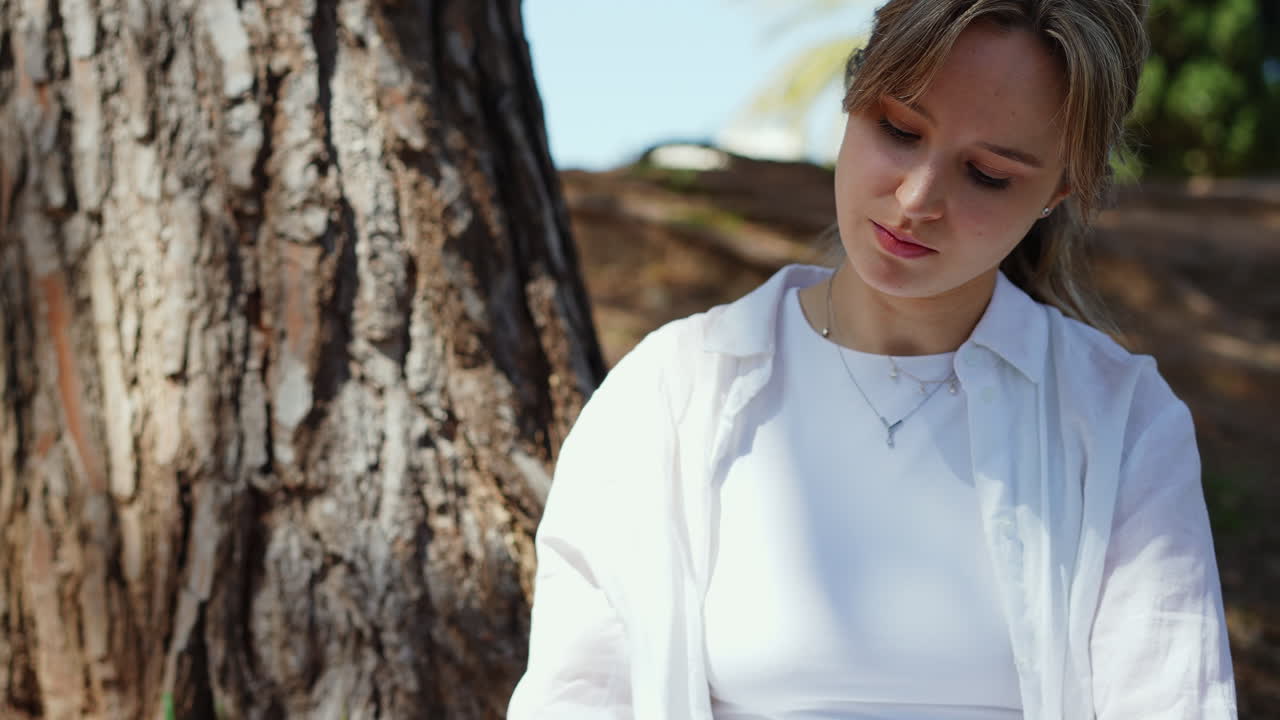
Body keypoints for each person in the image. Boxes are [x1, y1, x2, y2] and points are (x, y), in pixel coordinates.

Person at [509, 0, 1238, 717]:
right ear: (853, 98)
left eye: (987, 174)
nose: (918, 198)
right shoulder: (667, 394)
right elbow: (578, 697)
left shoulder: (1121, 422)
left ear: (1060, 191)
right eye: (898, 130)